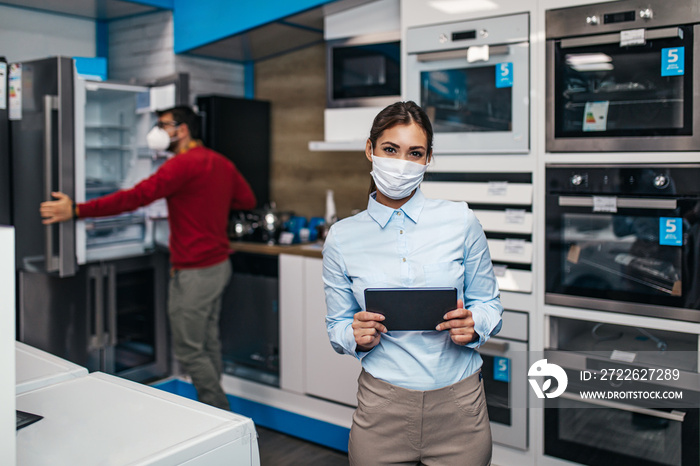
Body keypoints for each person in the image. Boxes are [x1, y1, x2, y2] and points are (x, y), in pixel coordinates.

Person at [39, 105, 256, 410]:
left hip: (194, 271)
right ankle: (216, 413)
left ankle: (221, 417)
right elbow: (246, 199)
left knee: (190, 349)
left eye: (162, 125)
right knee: (207, 343)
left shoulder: (180, 166)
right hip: (219, 266)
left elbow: (135, 198)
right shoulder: (220, 162)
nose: (156, 132)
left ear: (182, 130)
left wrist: (76, 210)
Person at [322, 101, 503, 465]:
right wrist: (353, 335)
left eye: (414, 153)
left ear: (428, 159)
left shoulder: (460, 220)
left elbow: (490, 305)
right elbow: (337, 325)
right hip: (381, 408)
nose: (401, 163)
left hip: (459, 408)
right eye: (391, 149)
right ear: (370, 149)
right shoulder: (342, 237)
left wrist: (475, 324)